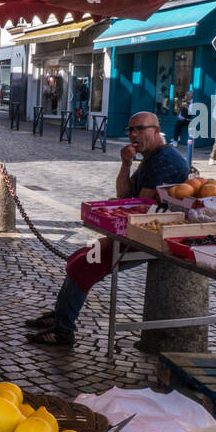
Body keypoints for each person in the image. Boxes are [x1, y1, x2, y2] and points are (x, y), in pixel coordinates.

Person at [26, 111, 190, 347]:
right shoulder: (151, 157)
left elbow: (138, 205)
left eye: (139, 129)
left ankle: (63, 331)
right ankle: (60, 315)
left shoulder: (164, 160)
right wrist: (125, 164)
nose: (133, 134)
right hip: (137, 229)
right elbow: (125, 195)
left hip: (149, 236)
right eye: (130, 129)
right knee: (78, 257)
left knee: (84, 265)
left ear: (156, 130)